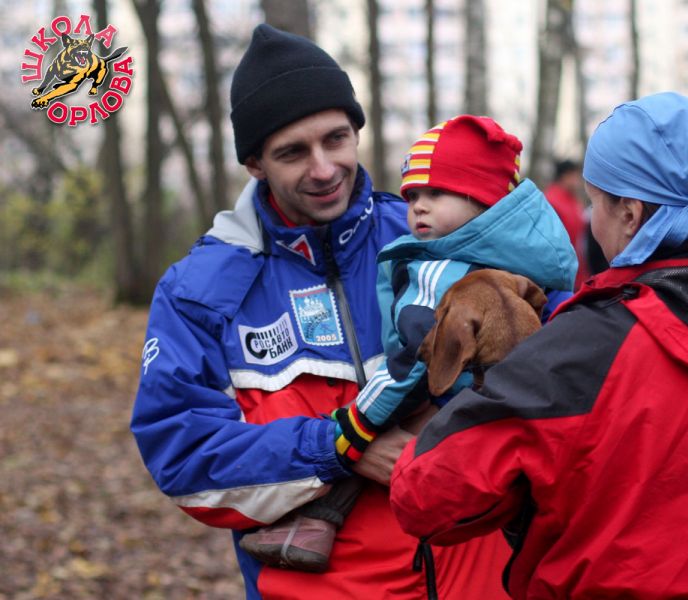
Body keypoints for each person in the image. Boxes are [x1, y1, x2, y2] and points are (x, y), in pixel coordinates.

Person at [390, 92, 688, 599]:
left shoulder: (581, 347)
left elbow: (424, 497)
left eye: (595, 202)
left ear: (630, 214)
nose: (592, 218)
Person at [131, 24, 512, 599]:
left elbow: (549, 349)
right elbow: (183, 457)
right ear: (255, 163)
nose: (324, 168)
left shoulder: (433, 237)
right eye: (293, 152)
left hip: (481, 580)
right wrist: (338, 447)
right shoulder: (198, 292)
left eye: (336, 139)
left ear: (356, 132)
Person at [241, 114, 577, 576]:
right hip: (506, 403)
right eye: (413, 196)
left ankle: (314, 523)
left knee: (371, 439)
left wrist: (356, 423)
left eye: (436, 194)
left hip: (447, 395)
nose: (418, 208)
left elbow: (412, 362)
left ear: (480, 199)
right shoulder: (521, 255)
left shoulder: (438, 271)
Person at [544, 159, 591, 287]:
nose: (578, 181)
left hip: (577, 271)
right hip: (560, 274)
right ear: (566, 176)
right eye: (575, 176)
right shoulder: (551, 200)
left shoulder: (573, 200)